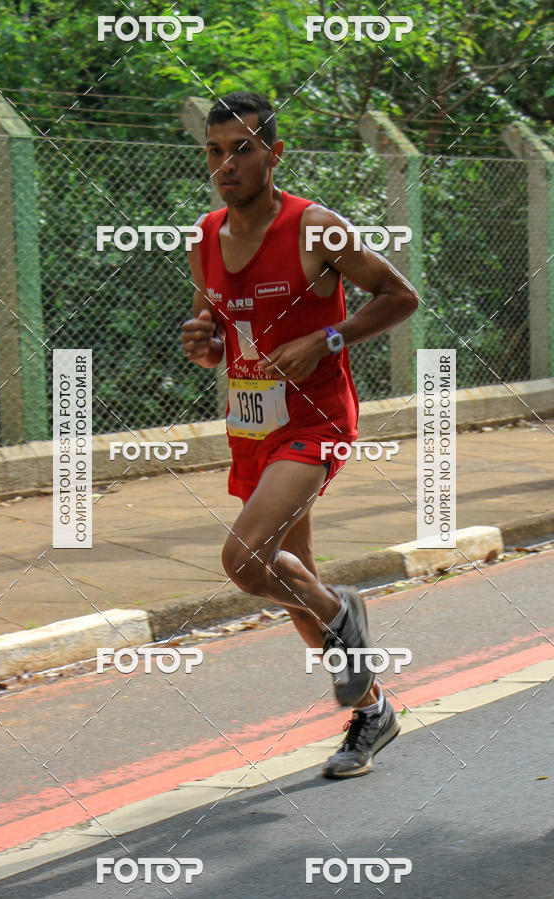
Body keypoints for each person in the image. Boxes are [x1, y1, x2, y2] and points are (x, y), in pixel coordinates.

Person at [181, 91, 419, 778]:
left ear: (274, 153)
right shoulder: (203, 238)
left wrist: (328, 336)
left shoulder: (316, 228)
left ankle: (345, 615)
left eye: (243, 148)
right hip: (254, 425)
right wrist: (203, 341)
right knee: (292, 578)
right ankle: (373, 710)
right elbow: (212, 330)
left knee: (245, 560)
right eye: (216, 151)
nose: (227, 164)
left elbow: (400, 295)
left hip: (316, 419)